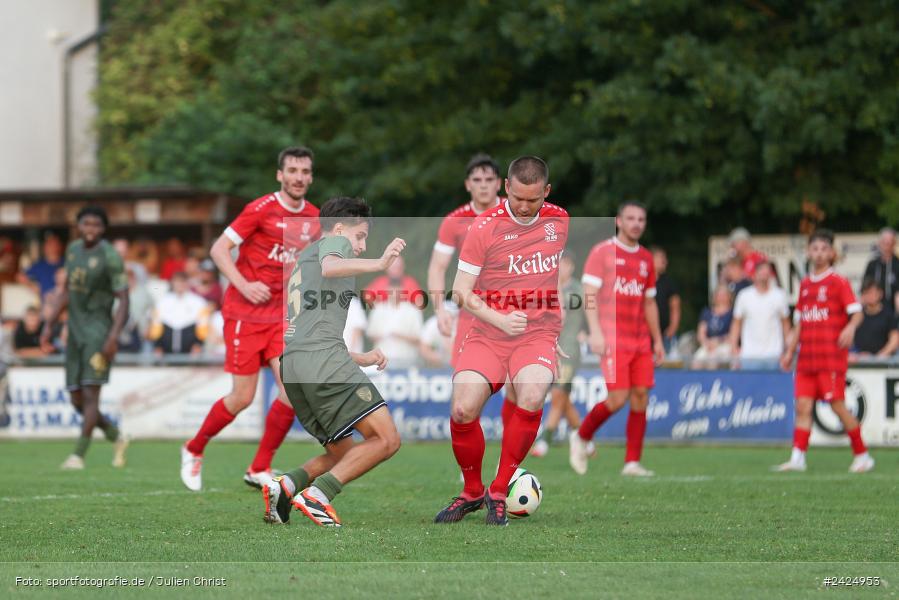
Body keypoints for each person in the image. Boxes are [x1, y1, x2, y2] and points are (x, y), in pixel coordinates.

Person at [433, 155, 568, 526]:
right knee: (462, 409)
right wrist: (500, 320)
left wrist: (553, 331)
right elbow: (460, 291)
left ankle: (499, 488)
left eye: (533, 199)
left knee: (532, 394)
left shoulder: (561, 220)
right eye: (518, 198)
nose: (525, 207)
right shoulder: (483, 228)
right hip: (489, 331)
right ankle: (472, 491)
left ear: (547, 192)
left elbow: (551, 277)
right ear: (506, 187)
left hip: (536, 334)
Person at [180, 146, 321, 492]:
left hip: (281, 317)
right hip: (244, 313)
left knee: (293, 392)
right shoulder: (260, 209)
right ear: (280, 175)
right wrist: (243, 285)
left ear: (311, 177)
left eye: (305, 171)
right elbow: (218, 249)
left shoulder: (315, 218)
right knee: (242, 398)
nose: (298, 177)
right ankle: (193, 448)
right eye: (292, 171)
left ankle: (259, 466)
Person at [261, 196, 402, 527]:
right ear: (339, 229)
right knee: (386, 439)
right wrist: (380, 264)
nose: (361, 245)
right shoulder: (330, 247)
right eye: (360, 236)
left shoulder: (303, 261)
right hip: (320, 362)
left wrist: (359, 357)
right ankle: (318, 496)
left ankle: (288, 486)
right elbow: (332, 265)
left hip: (295, 365)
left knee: (342, 454)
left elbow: (310, 331)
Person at [569, 202, 665, 477]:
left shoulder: (646, 258)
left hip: (640, 340)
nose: (636, 223)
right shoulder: (602, 253)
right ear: (618, 222)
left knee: (640, 397)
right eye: (630, 218)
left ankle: (632, 463)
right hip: (612, 338)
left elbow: (649, 303)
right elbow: (589, 294)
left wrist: (657, 340)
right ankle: (582, 436)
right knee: (617, 398)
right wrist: (595, 332)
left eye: (641, 219)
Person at [425, 153, 519, 425]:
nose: (483, 185)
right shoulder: (455, 221)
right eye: (476, 180)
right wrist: (440, 309)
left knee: (516, 387)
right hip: (472, 314)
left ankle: (509, 462)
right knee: (465, 398)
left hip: (513, 311)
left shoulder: (516, 214)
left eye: (489, 179)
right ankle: (467, 467)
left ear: (499, 183)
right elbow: (437, 268)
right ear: (468, 185)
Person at [39, 206, 130, 470]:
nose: (91, 229)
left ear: (103, 228)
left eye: (96, 225)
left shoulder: (110, 256)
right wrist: (49, 324)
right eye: (86, 224)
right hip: (74, 333)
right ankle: (116, 436)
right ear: (79, 226)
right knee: (76, 398)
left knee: (91, 395)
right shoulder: (73, 250)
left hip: (98, 333)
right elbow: (66, 291)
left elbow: (124, 300)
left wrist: (113, 337)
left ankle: (78, 454)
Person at [777, 229, 874, 473]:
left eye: (823, 249)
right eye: (815, 248)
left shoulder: (838, 283)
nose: (819, 253)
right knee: (803, 407)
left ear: (831, 253)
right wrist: (789, 351)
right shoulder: (805, 285)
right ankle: (798, 458)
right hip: (807, 359)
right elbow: (799, 322)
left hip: (830, 358)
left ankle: (863, 455)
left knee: (837, 406)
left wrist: (850, 328)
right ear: (808, 252)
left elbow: (857, 312)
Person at [531, 252, 587, 458]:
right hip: (549, 349)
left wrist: (588, 333)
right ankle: (585, 440)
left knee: (557, 396)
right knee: (564, 399)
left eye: (564, 264)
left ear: (571, 267)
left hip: (569, 351)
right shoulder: (548, 287)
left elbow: (565, 313)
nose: (560, 268)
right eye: (557, 264)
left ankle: (544, 441)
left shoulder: (576, 290)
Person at [729, 262, 790, 369]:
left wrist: (787, 351)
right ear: (754, 274)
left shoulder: (779, 295)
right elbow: (736, 324)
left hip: (774, 355)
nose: (764, 273)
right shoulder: (744, 295)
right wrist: (734, 349)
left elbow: (786, 325)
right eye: (761, 270)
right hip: (749, 355)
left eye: (767, 271)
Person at [148, 271, 210, 355]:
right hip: (165, 354)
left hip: (191, 354)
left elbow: (203, 327)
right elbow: (156, 327)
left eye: (183, 281)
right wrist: (158, 346)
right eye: (177, 281)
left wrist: (198, 345)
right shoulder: (162, 302)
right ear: (172, 283)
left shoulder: (199, 302)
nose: (180, 284)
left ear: (187, 283)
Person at [366, 281, 423, 368]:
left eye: (397, 289)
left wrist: (399, 335)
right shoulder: (378, 310)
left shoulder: (412, 310)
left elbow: (418, 338)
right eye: (392, 289)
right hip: (383, 359)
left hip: (407, 359)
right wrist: (384, 335)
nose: (394, 293)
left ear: (402, 290)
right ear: (387, 290)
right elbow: (371, 334)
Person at [850, 278, 899, 361]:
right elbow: (849, 337)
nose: (870, 296)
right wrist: (855, 354)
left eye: (872, 292)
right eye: (866, 292)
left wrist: (879, 356)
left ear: (880, 293)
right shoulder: (857, 315)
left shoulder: (888, 315)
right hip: (858, 359)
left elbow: (894, 340)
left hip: (881, 361)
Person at [691, 285, 734, 369]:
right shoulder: (707, 312)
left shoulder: (733, 313)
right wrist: (706, 343)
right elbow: (701, 333)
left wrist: (717, 342)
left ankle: (712, 381)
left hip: (725, 344)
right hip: (707, 344)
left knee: (712, 360)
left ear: (729, 297)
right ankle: (697, 381)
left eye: (723, 295)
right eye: (719, 295)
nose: (721, 298)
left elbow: (733, 334)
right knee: (696, 360)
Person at [651, 246, 681, 355]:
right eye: (661, 258)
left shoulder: (669, 283)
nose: (665, 261)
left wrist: (672, 328)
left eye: (665, 258)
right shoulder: (640, 281)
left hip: (664, 334)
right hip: (644, 334)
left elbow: (675, 307)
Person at [862, 227, 899, 313]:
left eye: (889, 242)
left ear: (894, 243)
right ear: (879, 243)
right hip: (873, 310)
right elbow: (864, 289)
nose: (886, 245)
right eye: (884, 242)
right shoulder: (872, 264)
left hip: (893, 311)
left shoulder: (897, 264)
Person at [18, 232, 65, 297]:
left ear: (60, 246)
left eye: (54, 244)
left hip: (65, 303)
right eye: (48, 244)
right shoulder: (39, 265)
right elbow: (20, 276)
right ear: (44, 247)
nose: (51, 247)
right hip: (47, 303)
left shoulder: (67, 263)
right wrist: (32, 286)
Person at [420, 301, 456, 368]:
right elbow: (423, 349)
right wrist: (437, 358)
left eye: (452, 316)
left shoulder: (458, 326)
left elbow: (455, 353)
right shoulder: (431, 325)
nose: (449, 319)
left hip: (453, 367)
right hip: (436, 367)